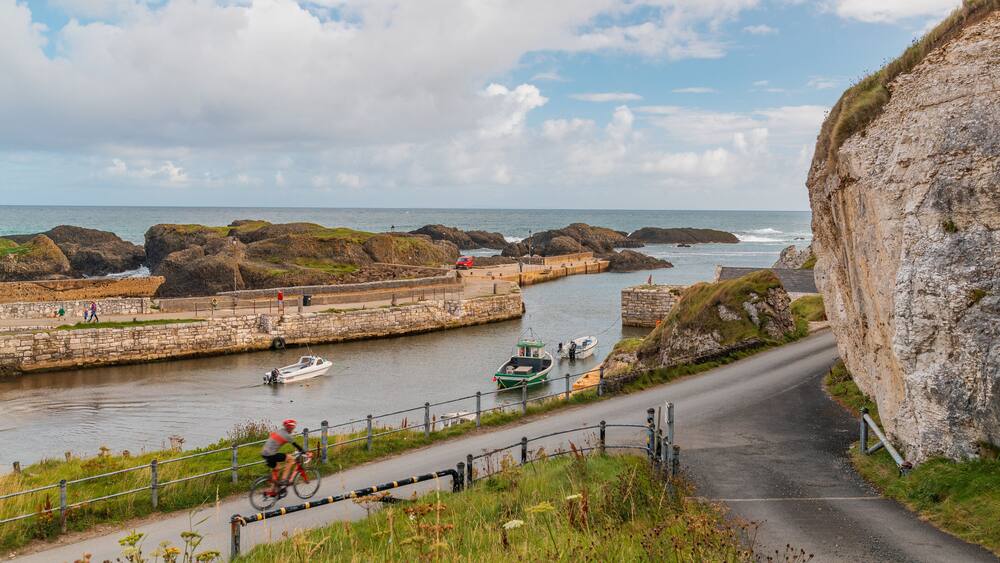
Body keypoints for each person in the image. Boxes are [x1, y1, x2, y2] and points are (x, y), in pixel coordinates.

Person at [260, 419, 307, 493]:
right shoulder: (287, 436)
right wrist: (304, 452)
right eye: (293, 427)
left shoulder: (279, 431)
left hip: (264, 453)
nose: (293, 429)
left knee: (277, 468)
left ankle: (272, 490)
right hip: (271, 454)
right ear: (290, 427)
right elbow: (297, 446)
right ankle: (283, 481)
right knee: (291, 459)